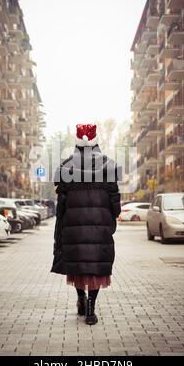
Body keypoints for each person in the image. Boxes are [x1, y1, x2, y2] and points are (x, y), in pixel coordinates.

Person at [51, 124, 121, 325]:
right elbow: (115, 204)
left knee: (79, 266)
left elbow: (61, 206)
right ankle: (91, 309)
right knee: (95, 267)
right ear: (96, 141)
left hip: (73, 229)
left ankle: (81, 299)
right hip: (100, 228)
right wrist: (110, 216)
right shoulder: (109, 166)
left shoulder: (65, 168)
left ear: (77, 142)